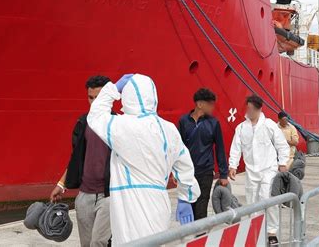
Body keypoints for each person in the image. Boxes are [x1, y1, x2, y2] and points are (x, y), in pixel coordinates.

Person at [87, 73, 200, 245]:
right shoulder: (168, 129)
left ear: (127, 97)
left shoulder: (123, 126)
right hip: (158, 205)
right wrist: (186, 197)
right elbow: (185, 165)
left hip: (130, 206)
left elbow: (95, 116)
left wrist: (112, 88)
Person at [50, 75, 112, 247]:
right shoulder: (82, 123)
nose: (93, 102)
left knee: (98, 242)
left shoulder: (118, 124)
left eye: (97, 98)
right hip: (85, 195)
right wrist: (61, 185)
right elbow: (76, 159)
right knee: (86, 244)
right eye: (90, 97)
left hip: (109, 196)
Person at [228, 95, 290, 246]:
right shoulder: (242, 127)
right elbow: (236, 147)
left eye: (253, 109)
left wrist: (282, 163)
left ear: (259, 109)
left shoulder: (268, 125)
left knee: (267, 198)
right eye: (248, 108)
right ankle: (255, 228)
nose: (250, 111)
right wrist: (233, 165)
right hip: (251, 170)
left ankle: (271, 232)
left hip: (268, 169)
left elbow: (282, 145)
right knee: (252, 201)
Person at [178, 88, 229, 220]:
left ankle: (200, 237)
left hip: (205, 171)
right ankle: (192, 235)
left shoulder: (214, 123)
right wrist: (175, 170)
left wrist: (223, 174)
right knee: (189, 206)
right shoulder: (183, 122)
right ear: (200, 104)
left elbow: (220, 149)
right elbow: (178, 147)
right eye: (210, 104)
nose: (213, 107)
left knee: (201, 207)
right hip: (187, 172)